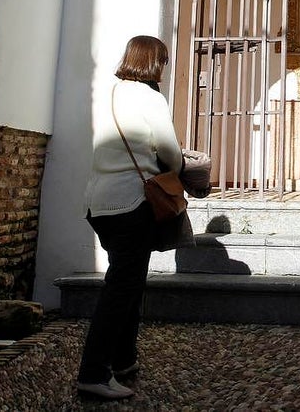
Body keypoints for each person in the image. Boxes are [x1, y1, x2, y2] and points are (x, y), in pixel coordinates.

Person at [76, 35, 184, 400]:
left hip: (98, 203)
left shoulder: (108, 93)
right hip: (131, 203)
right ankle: (94, 372)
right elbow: (169, 151)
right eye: (163, 62)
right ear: (155, 62)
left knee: (127, 281)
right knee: (121, 290)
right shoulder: (150, 97)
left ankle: (124, 360)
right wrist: (183, 166)